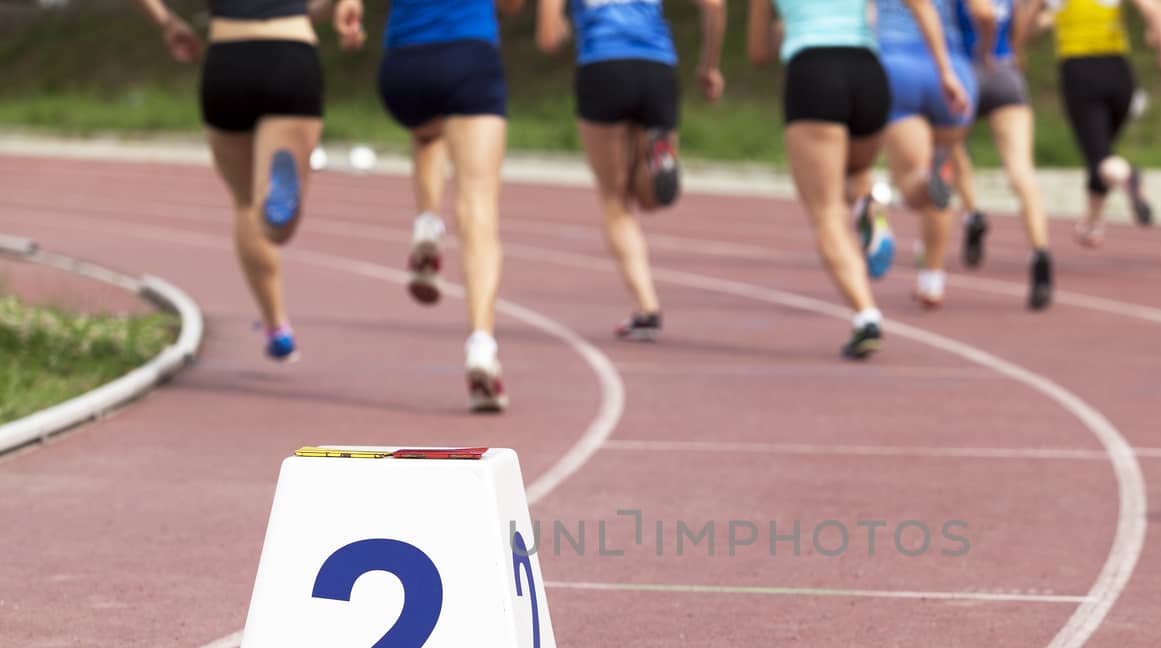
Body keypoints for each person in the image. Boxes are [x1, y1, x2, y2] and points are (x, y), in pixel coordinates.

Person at [132, 0, 365, 361]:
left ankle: (277, 327)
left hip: (230, 59)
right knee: (276, 223)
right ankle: (277, 204)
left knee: (244, 203)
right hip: (292, 54)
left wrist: (167, 22)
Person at [748, 0, 968, 358]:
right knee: (857, 173)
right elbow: (920, 6)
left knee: (826, 210)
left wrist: (779, 34)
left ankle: (866, 316)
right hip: (867, 71)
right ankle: (894, 194)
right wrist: (945, 71)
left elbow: (757, 53)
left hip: (813, 70)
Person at [537, 0, 726, 342]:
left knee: (615, 201)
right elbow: (714, 5)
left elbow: (548, 38)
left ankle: (647, 307)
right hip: (657, 70)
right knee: (650, 200)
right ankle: (659, 152)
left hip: (602, 68)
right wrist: (709, 65)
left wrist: (566, 30)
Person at [380, 0, 520, 411]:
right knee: (478, 206)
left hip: (404, 67)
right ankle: (481, 347)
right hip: (468, 55)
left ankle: (426, 224)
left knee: (428, 131)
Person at [1016, 0, 1161, 249]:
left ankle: (1128, 178)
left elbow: (1023, 28)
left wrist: (1018, 49)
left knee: (1100, 157)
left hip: (1080, 71)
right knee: (1102, 153)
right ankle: (1093, 223)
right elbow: (1154, 10)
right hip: (1120, 72)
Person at [875, 0, 982, 310]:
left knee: (912, 186)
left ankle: (920, 181)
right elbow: (984, 12)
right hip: (954, 65)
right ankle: (932, 279)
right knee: (942, 171)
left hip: (897, 64)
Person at [951, 0, 1053, 309]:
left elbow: (979, 14)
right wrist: (1009, 50)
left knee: (952, 150)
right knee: (1021, 170)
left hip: (965, 68)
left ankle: (972, 213)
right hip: (1005, 68)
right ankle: (1040, 253)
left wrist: (982, 49)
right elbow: (1022, 20)